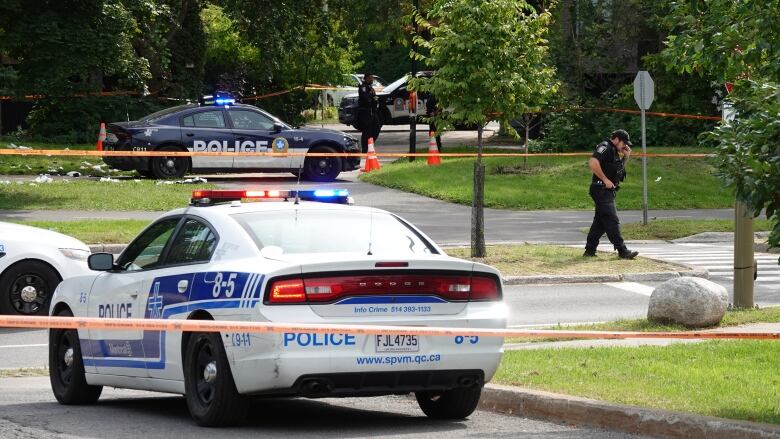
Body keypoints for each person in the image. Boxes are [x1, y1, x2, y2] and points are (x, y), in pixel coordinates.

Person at [583, 129, 639, 259]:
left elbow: (618, 170)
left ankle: (589, 250)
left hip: (607, 190)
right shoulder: (605, 147)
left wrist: (626, 157)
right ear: (617, 139)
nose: (625, 146)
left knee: (600, 222)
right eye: (623, 142)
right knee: (611, 219)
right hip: (600, 188)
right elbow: (593, 162)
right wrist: (605, 179)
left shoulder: (614, 151)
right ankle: (622, 250)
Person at [357, 74, 382, 154]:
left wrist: (376, 101)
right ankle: (364, 149)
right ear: (366, 78)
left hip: (373, 111)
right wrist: (372, 100)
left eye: (372, 78)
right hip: (365, 112)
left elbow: (375, 97)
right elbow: (365, 99)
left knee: (376, 128)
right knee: (366, 131)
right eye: (371, 78)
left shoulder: (371, 88)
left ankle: (370, 145)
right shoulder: (363, 87)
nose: (372, 79)